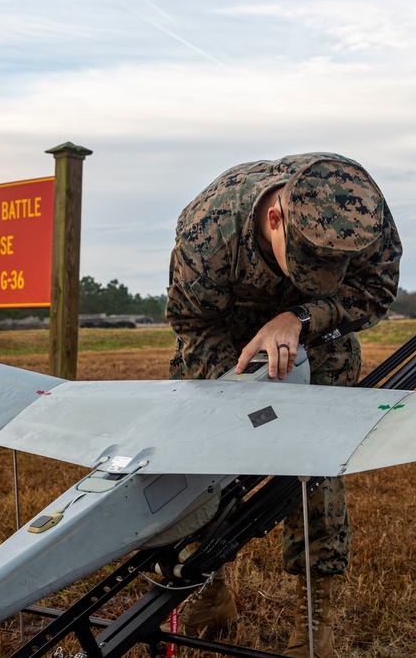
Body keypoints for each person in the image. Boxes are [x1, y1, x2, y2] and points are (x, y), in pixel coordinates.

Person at [166, 152, 402, 657]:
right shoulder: (207, 230)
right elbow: (192, 323)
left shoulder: (362, 211)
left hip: (316, 334)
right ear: (275, 218)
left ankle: (315, 614)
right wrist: (236, 394)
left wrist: (301, 315)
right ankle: (209, 585)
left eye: (328, 267)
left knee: (313, 460)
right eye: (305, 263)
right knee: (203, 451)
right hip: (228, 340)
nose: (315, 273)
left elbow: (374, 294)